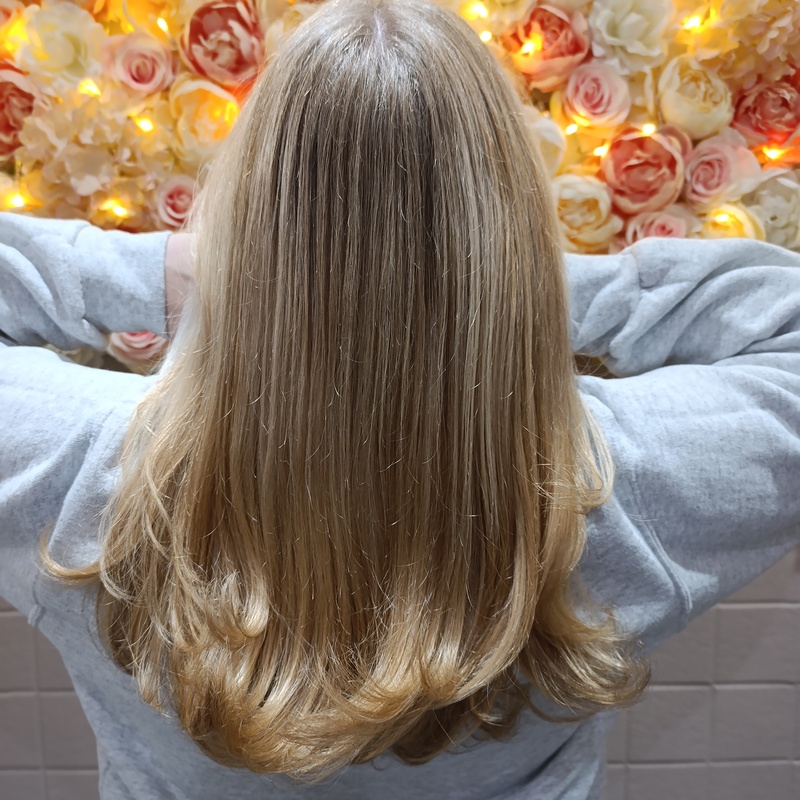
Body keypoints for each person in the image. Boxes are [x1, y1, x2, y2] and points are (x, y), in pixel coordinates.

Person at [1, 0, 799, 797]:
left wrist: (180, 275)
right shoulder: (615, 487)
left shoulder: (79, 474)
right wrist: (506, 288)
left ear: (243, 217)